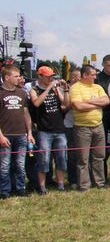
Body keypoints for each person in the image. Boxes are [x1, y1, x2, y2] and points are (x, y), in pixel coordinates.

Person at [30, 64, 70, 194]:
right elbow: (36, 103)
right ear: (40, 76)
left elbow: (65, 105)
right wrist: (48, 88)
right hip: (44, 130)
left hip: (59, 129)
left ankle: (60, 184)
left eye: (51, 77)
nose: (50, 79)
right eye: (47, 77)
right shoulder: (34, 89)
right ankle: (42, 187)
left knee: (61, 158)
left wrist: (65, 89)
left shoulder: (56, 89)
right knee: (43, 159)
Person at [69, 64, 110, 191]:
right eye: (93, 75)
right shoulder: (75, 88)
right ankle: (84, 185)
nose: (95, 77)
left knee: (99, 156)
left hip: (98, 126)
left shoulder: (97, 87)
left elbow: (106, 101)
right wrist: (97, 104)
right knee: (83, 159)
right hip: (82, 128)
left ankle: (99, 182)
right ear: (85, 75)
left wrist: (88, 102)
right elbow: (78, 106)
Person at [0, 65, 35, 198]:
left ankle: (20, 188)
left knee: (20, 164)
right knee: (4, 165)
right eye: (16, 76)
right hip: (5, 135)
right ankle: (5, 191)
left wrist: (29, 133)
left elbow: (26, 114)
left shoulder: (22, 93)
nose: (19, 78)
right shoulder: (1, 93)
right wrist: (1, 136)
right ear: (7, 77)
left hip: (21, 135)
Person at [96, 54, 110, 180]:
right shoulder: (97, 79)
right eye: (109, 65)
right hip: (102, 115)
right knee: (102, 148)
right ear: (103, 65)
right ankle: (102, 175)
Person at [63, 69, 81, 188]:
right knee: (73, 154)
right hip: (70, 125)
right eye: (79, 76)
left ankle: (83, 177)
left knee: (83, 154)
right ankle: (73, 179)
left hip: (84, 124)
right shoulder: (66, 89)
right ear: (73, 77)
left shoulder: (83, 88)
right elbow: (65, 106)